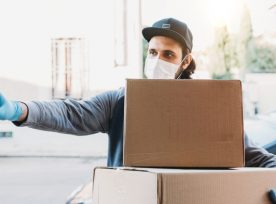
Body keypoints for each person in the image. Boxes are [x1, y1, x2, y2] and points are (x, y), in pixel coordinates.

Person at [0, 18, 276, 168]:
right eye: (153, 52)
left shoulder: (208, 107)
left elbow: (256, 157)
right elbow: (71, 113)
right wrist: (19, 109)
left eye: (168, 54)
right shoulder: (122, 100)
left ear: (185, 61)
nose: (157, 60)